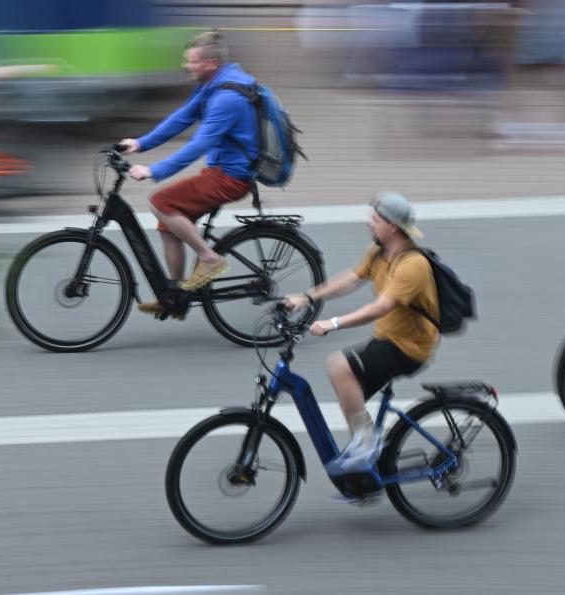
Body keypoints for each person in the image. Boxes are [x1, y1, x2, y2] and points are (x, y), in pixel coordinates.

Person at [284, 192, 439, 479]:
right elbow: (352, 278)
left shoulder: (412, 265)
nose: (369, 222)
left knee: (338, 365)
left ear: (392, 226)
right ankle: (367, 473)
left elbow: (382, 307)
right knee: (349, 396)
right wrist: (308, 297)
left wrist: (333, 323)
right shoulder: (379, 252)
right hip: (388, 339)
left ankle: (367, 446)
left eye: (375, 219)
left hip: (408, 347)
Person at [119, 30, 257, 314]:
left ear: (210, 63)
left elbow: (200, 144)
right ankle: (175, 296)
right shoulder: (213, 85)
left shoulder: (227, 98)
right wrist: (140, 143)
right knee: (167, 225)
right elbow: (181, 118)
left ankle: (210, 259)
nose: (186, 66)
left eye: (191, 62)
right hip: (219, 170)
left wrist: (154, 171)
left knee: (161, 202)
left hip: (231, 177)